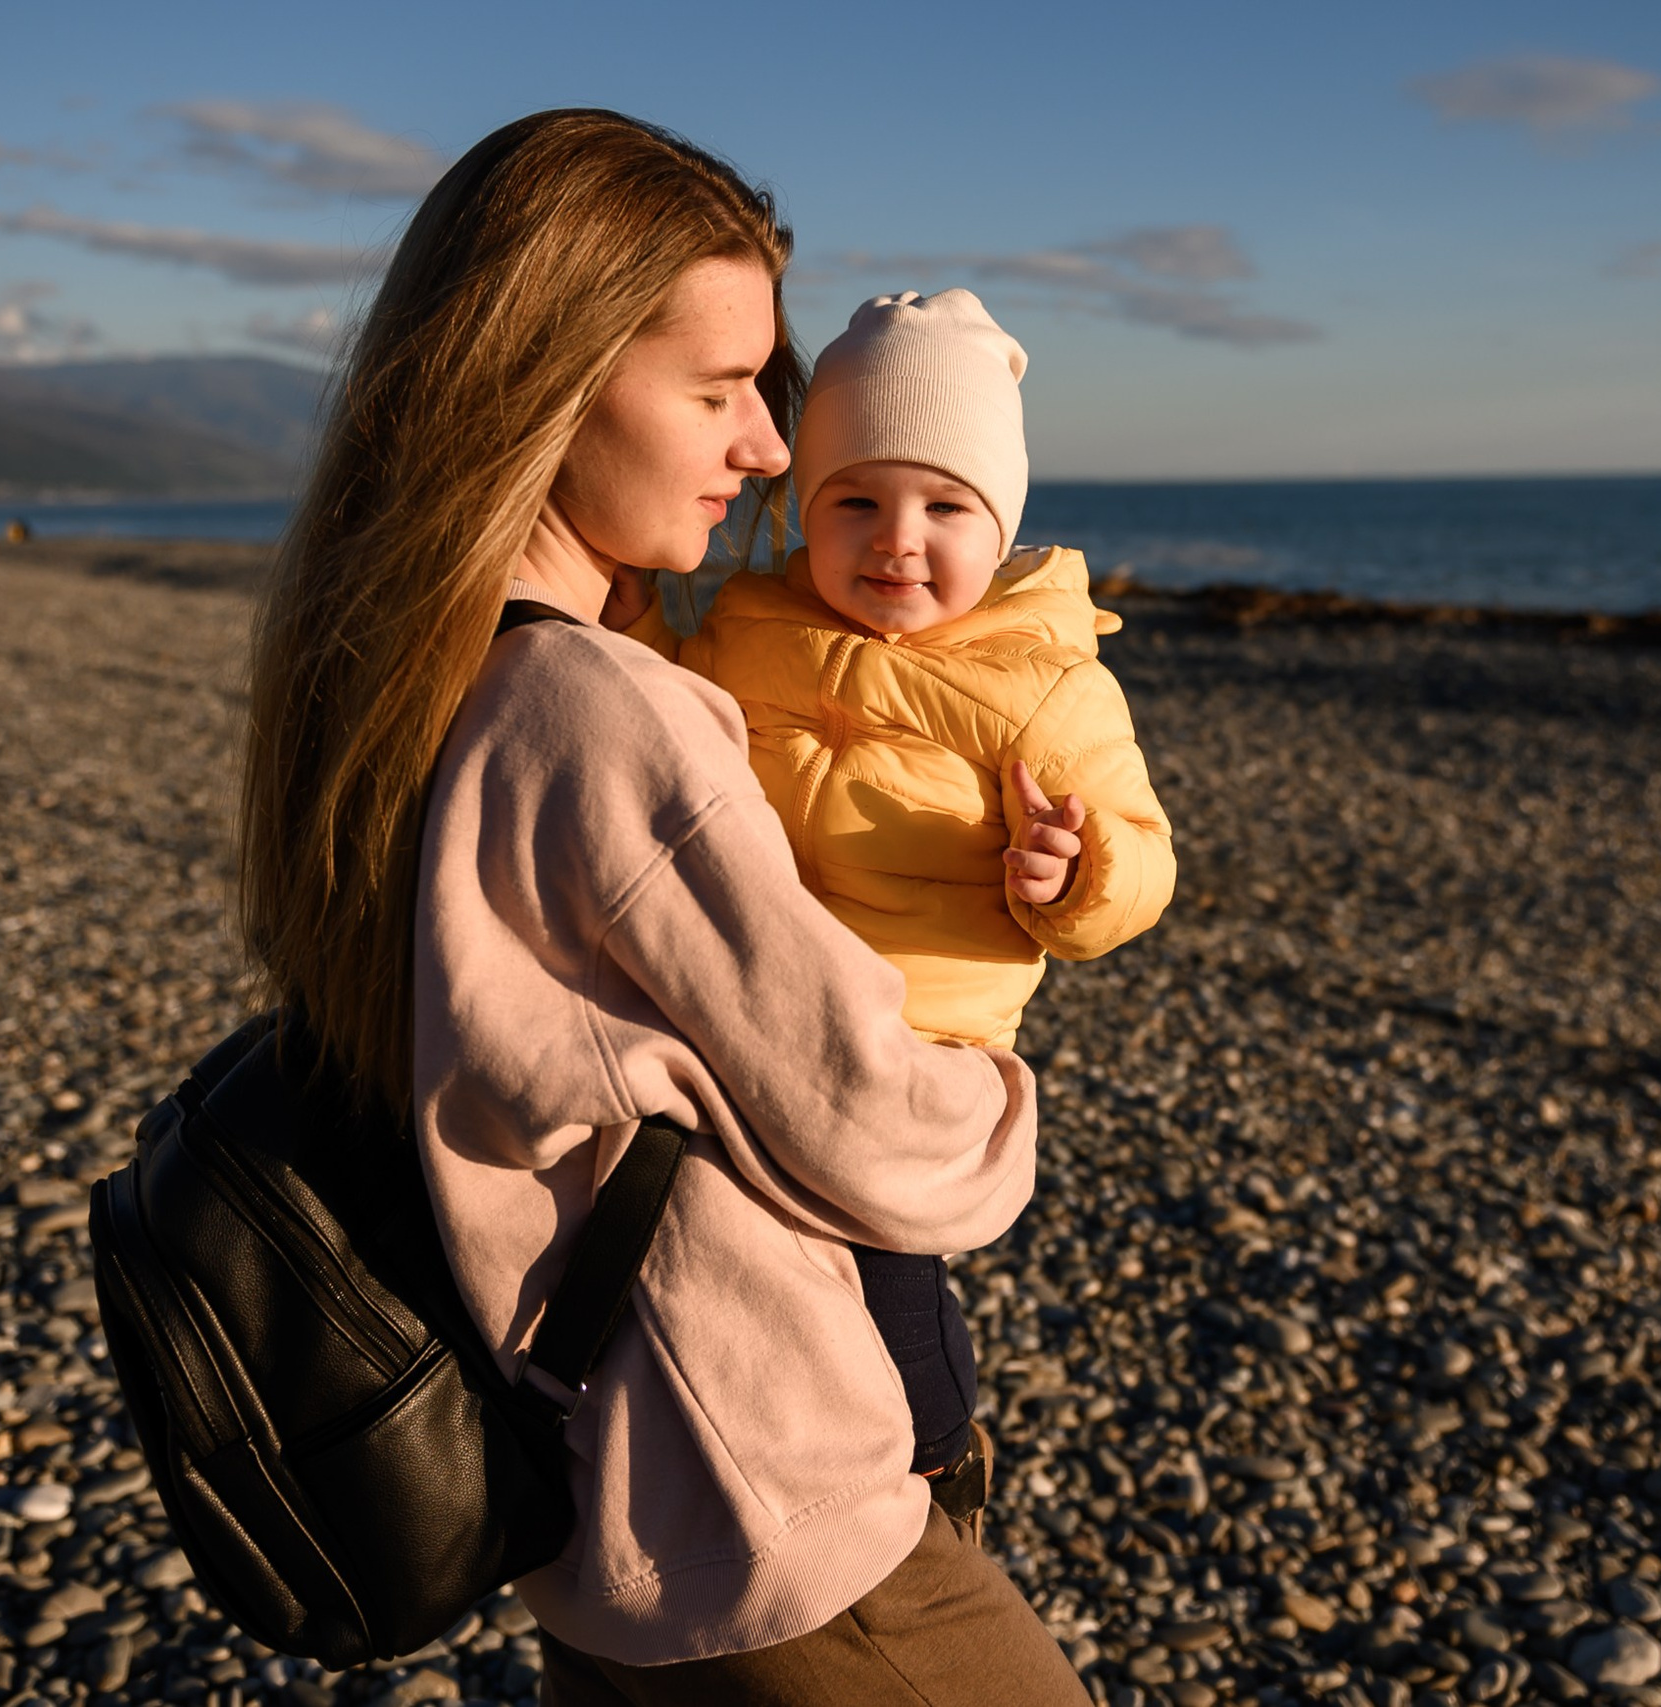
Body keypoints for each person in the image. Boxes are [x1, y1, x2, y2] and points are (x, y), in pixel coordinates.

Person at [235, 110, 1087, 1704]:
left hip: (603, 1490)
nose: (770, 449)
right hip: (761, 1498)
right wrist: (996, 1086)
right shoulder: (596, 710)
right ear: (541, 381)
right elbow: (877, 1127)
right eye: (718, 393)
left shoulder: (405, 674)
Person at [630, 288, 1177, 1494]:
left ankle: (936, 1466)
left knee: (887, 1271)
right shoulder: (742, 626)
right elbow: (654, 704)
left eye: (944, 506)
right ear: (801, 512)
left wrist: (1077, 871)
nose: (896, 538)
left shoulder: (1046, 685)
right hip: (750, 1011)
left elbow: (1143, 854)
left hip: (911, 1047)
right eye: (856, 502)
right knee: (725, 1253)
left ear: (1001, 525)